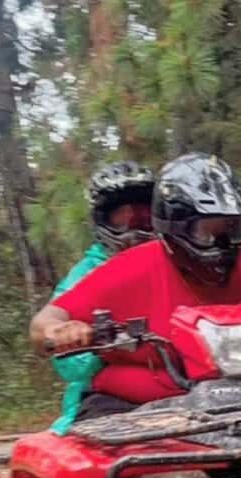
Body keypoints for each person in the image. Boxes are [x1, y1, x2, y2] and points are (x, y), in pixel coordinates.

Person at [30, 152, 241, 422]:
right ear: (175, 228)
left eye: (231, 228)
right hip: (134, 406)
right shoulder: (129, 268)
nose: (221, 242)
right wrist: (61, 331)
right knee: (100, 467)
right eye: (207, 231)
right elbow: (44, 322)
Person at [47, 160, 155, 434]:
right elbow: (69, 363)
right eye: (123, 215)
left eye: (143, 214)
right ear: (103, 219)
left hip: (185, 385)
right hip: (110, 395)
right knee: (105, 457)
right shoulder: (87, 275)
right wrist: (75, 335)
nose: (134, 225)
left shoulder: (181, 262)